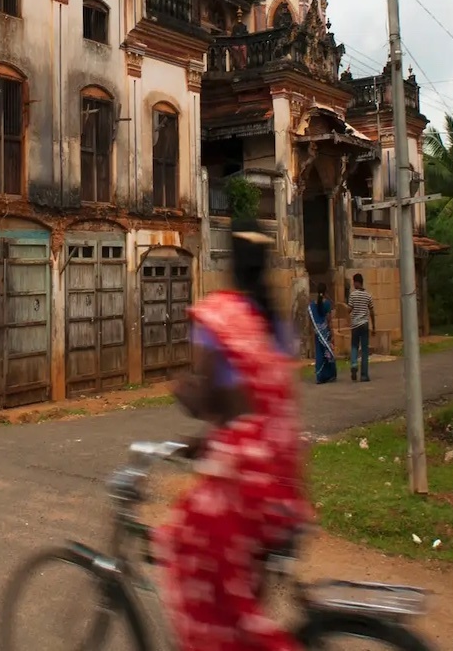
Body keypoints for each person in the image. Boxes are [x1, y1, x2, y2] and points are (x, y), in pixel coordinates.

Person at [157, 218, 311, 651]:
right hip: (285, 485)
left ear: (228, 260)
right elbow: (253, 409)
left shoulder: (219, 317)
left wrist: (178, 385)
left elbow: (206, 401)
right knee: (243, 601)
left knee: (180, 551)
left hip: (243, 492)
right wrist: (209, 441)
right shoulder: (276, 325)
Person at [348, 272, 373, 382]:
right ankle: (364, 375)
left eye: (354, 282)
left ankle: (354, 364)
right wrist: (375, 326)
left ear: (357, 282)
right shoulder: (368, 295)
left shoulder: (352, 295)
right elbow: (372, 311)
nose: (353, 284)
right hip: (364, 324)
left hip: (355, 325)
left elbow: (349, 310)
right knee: (364, 350)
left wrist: (346, 310)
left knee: (354, 346)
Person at [309, 284, 337, 384]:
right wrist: (332, 333)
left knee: (319, 353)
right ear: (325, 292)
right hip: (325, 332)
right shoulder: (327, 304)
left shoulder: (312, 305)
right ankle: (330, 375)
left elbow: (311, 321)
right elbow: (329, 320)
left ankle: (320, 376)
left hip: (318, 333)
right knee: (328, 353)